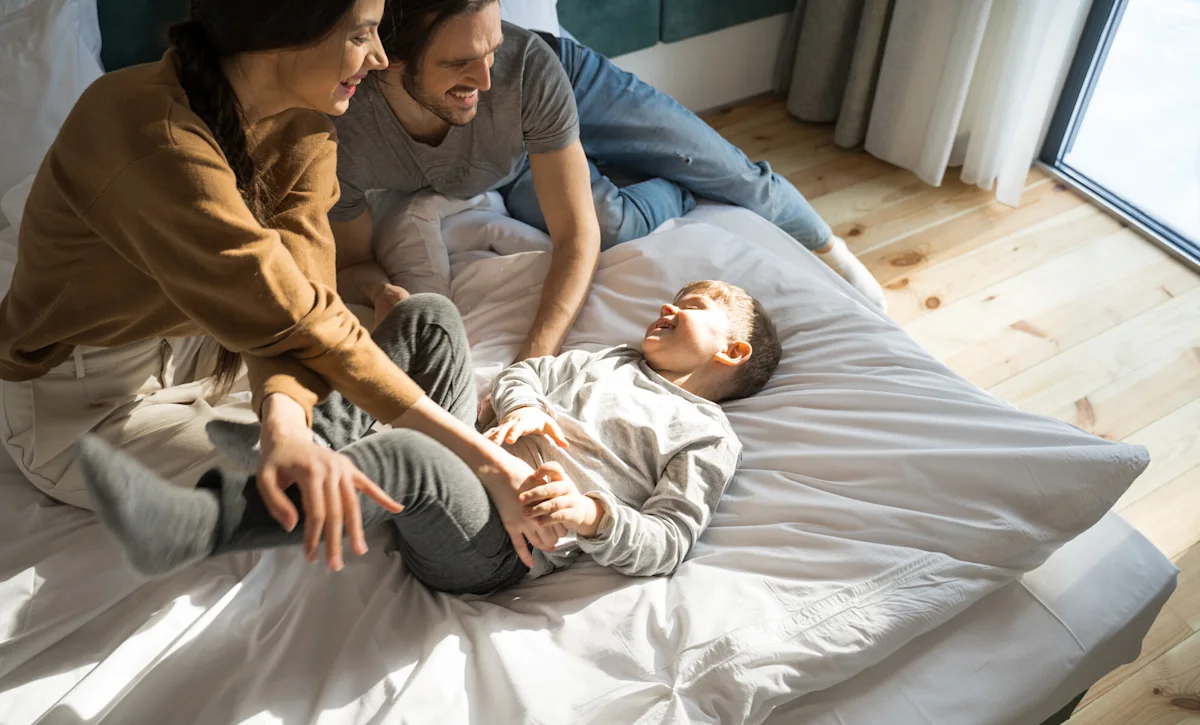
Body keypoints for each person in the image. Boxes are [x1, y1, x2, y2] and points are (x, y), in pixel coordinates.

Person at [0, 0, 559, 574]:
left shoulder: (304, 124)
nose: (381, 57)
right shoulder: (146, 132)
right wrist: (485, 458)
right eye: (363, 33)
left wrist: (285, 424)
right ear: (289, 29)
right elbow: (291, 317)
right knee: (380, 461)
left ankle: (470, 513)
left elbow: (298, 300)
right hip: (90, 406)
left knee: (428, 318)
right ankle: (478, 545)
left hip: (211, 343)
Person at [74, 281, 782, 593]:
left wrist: (593, 514)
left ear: (732, 353)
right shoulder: (608, 359)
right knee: (429, 313)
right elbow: (524, 373)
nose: (667, 305)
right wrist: (527, 404)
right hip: (473, 449)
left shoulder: (706, 434)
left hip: (498, 545)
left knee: (409, 455)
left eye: (691, 305)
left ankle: (200, 524)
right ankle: (306, 447)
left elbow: (668, 540)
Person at [330, 0, 887, 329]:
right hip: (512, 155)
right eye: (459, 63)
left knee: (734, 177)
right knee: (615, 226)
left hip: (566, 85)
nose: (484, 78)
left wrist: (533, 360)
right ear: (387, 59)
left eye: (492, 49)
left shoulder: (521, 70)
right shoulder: (345, 137)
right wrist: (384, 295)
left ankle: (833, 253)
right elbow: (353, 263)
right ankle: (663, 184)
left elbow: (575, 238)